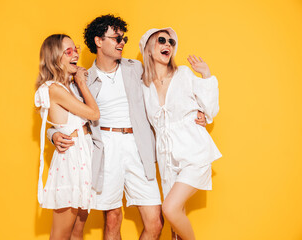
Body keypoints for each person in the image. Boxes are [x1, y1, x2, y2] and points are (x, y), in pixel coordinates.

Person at [47, 15, 206, 240]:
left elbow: (169, 88)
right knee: (113, 219)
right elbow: (63, 111)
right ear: (99, 41)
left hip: (138, 147)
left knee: (155, 222)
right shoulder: (83, 77)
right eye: (116, 38)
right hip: (104, 148)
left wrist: (200, 111)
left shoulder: (136, 68)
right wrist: (53, 134)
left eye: (124, 38)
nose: (122, 42)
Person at [139, 28, 222, 240]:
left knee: (170, 208)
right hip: (167, 158)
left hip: (193, 152)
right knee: (174, 224)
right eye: (162, 40)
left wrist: (206, 74)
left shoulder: (183, 74)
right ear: (148, 48)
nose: (168, 45)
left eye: (171, 42)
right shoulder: (143, 85)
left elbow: (210, 109)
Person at [34, 34, 100, 240]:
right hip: (70, 160)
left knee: (77, 230)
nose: (76, 55)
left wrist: (76, 83)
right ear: (55, 58)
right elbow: (94, 114)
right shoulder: (54, 88)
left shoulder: (68, 86)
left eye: (76, 49)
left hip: (83, 157)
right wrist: (82, 83)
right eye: (68, 51)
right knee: (61, 234)